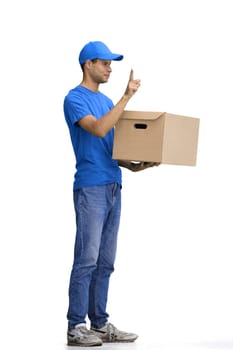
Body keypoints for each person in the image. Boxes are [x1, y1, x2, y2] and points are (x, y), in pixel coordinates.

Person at [63, 41, 159, 347]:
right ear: (88, 64)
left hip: (114, 185)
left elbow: (111, 148)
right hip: (90, 187)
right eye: (105, 63)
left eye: (111, 64)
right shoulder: (74, 99)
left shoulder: (106, 102)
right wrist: (127, 97)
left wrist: (135, 166)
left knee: (106, 261)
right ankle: (76, 325)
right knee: (86, 259)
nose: (110, 68)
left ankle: (100, 324)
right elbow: (100, 130)